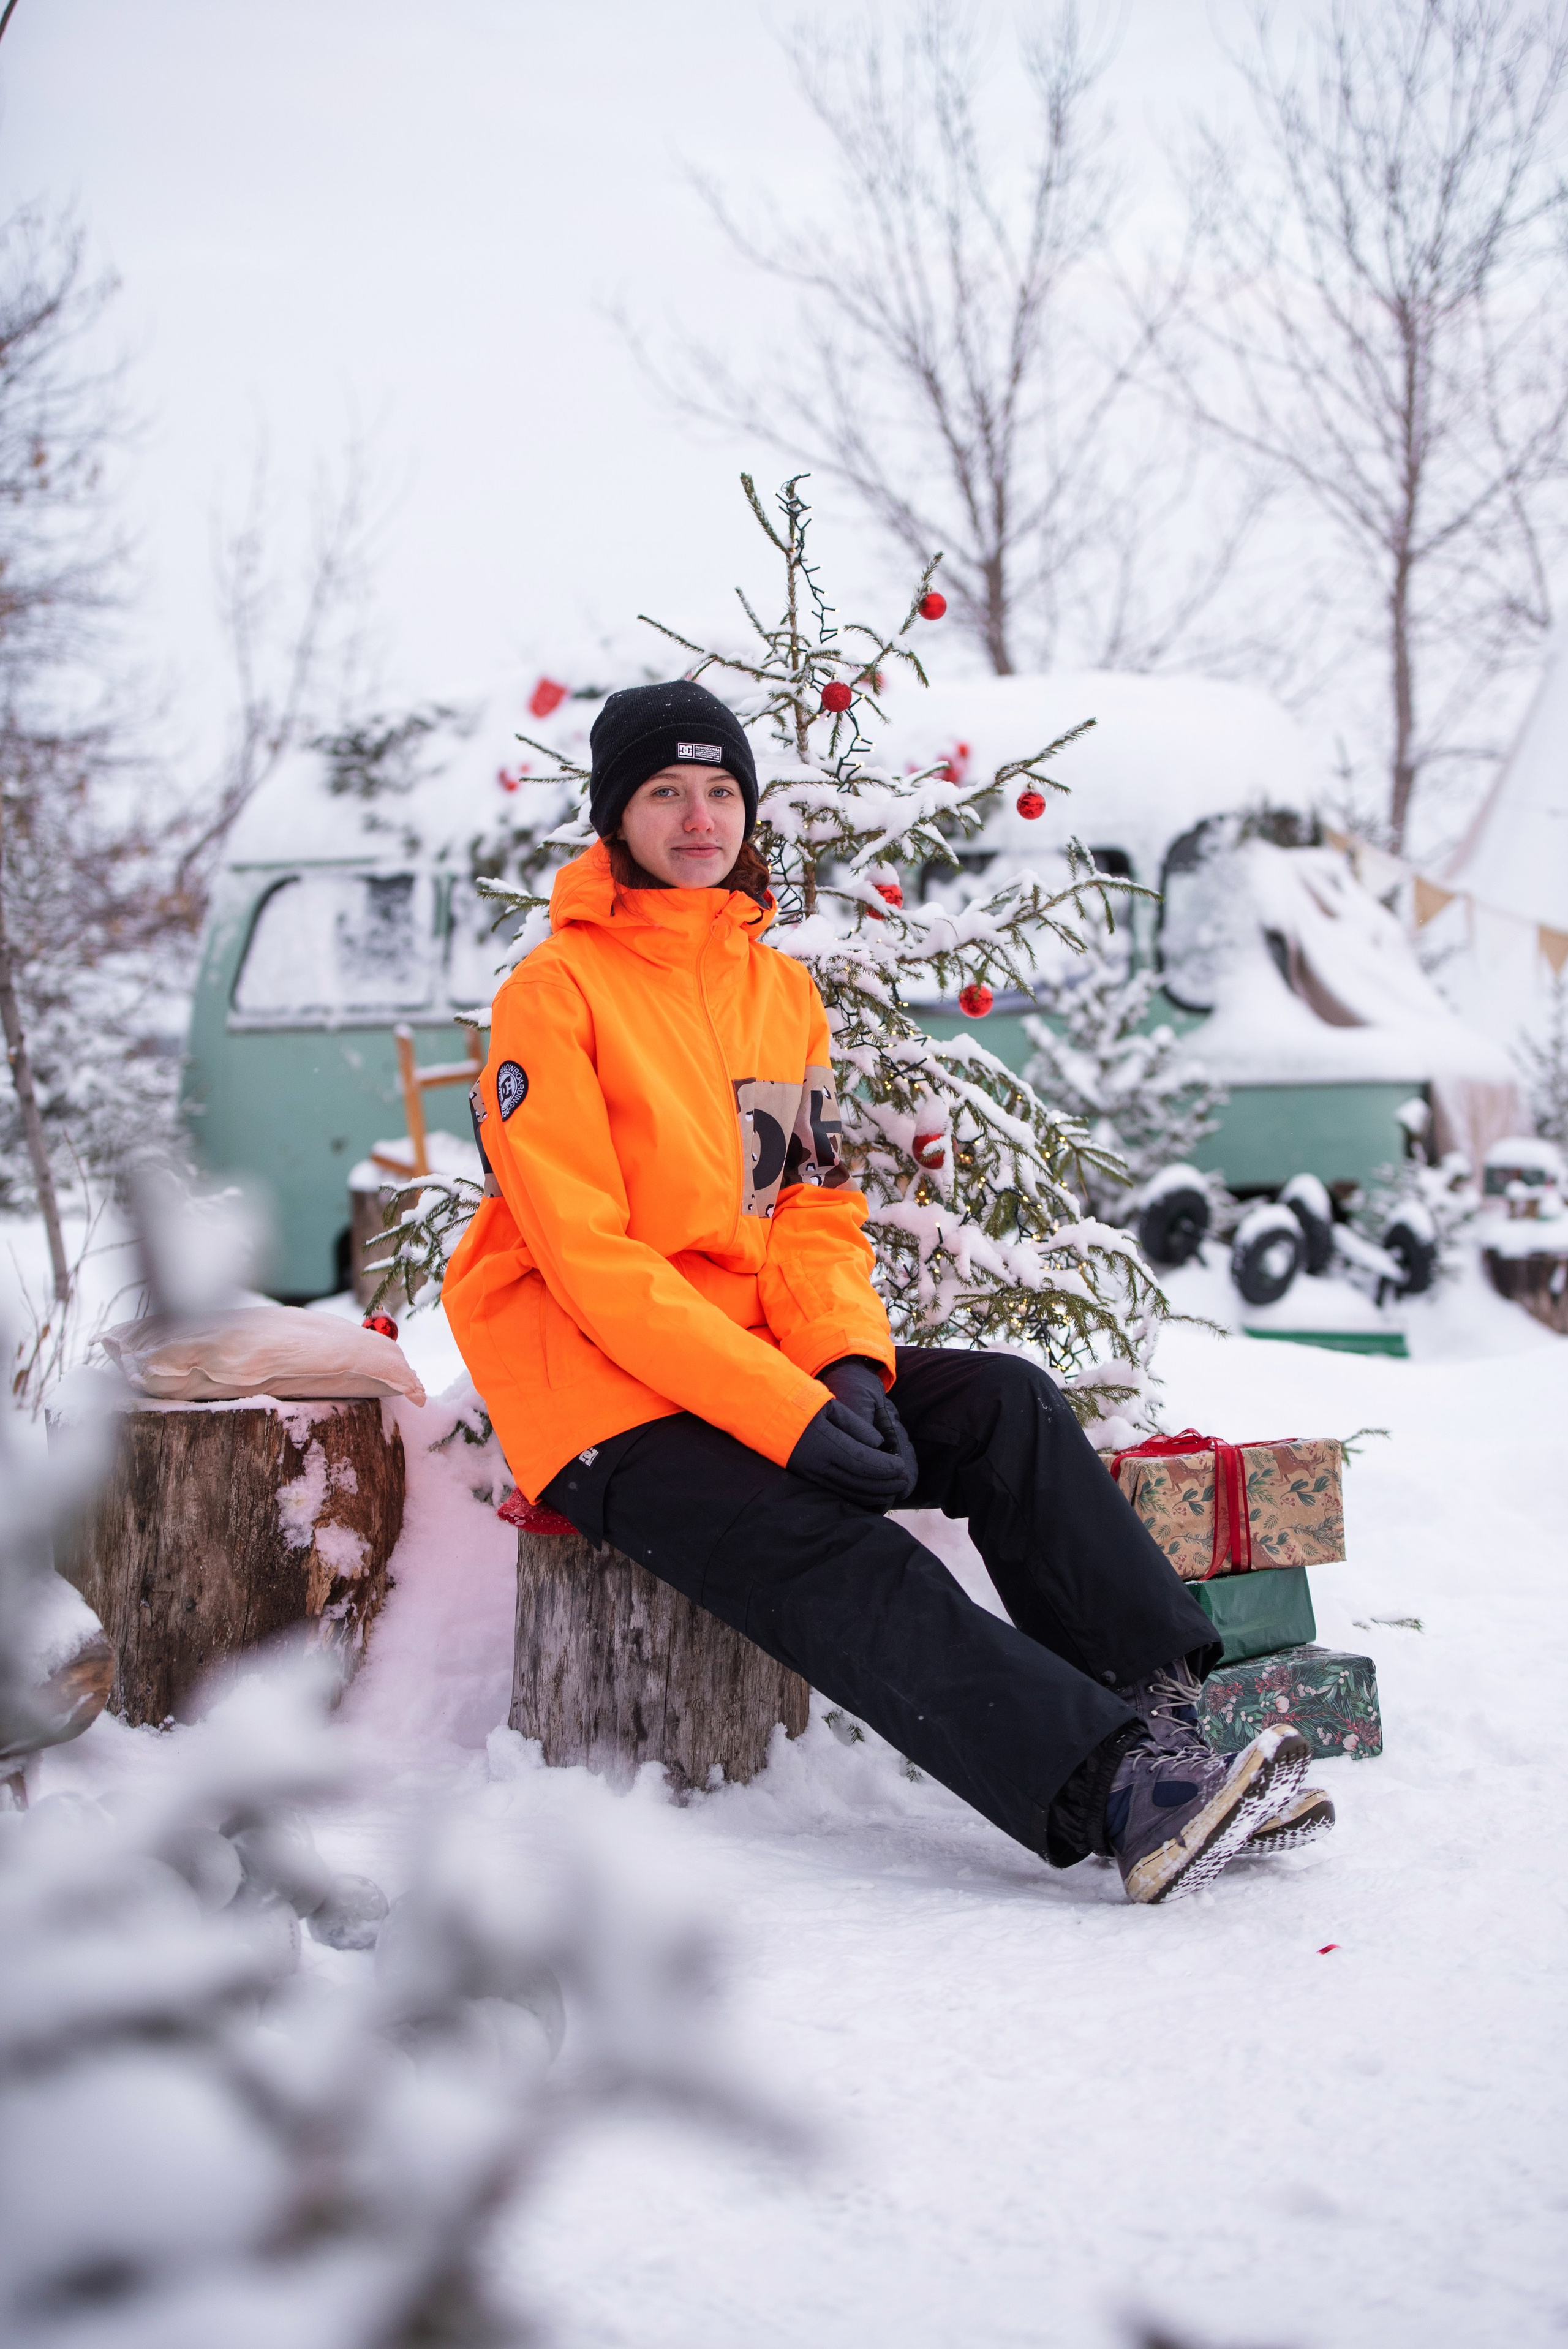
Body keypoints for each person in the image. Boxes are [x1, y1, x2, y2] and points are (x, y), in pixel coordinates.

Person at [443, 679, 1334, 1904]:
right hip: (601, 1402)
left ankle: (1167, 1719)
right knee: (835, 1554)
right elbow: (593, 1263)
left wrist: (845, 1367)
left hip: (743, 1357)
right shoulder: (554, 997)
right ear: (614, 816)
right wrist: (786, 1411)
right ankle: (1118, 1793)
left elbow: (802, 1209)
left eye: (719, 791)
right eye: (664, 793)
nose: (698, 818)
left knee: (1003, 1407)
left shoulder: (775, 993)